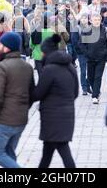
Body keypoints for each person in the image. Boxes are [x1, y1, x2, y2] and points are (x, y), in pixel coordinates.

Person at [0, 32, 35, 168]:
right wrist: (23, 109)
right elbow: (32, 93)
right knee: (9, 152)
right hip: (20, 120)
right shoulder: (27, 67)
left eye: (0, 44)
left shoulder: (1, 68)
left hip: (3, 121)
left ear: (7, 47)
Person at [31, 34, 79, 168]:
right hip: (67, 114)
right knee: (47, 152)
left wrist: (29, 86)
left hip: (52, 118)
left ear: (46, 52)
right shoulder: (70, 67)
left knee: (63, 149)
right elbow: (75, 93)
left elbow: (38, 94)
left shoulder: (49, 69)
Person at [80, 13, 107, 104]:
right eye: (95, 20)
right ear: (90, 21)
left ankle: (95, 95)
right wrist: (87, 53)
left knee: (98, 77)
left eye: (98, 19)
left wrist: (106, 52)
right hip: (90, 58)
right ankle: (96, 90)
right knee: (90, 77)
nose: (97, 21)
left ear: (101, 20)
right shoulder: (86, 31)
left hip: (101, 58)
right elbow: (81, 44)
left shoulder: (105, 30)